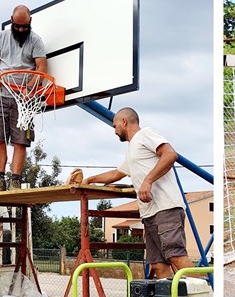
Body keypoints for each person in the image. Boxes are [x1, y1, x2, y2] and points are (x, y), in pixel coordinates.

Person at [83, 107, 196, 279]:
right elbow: (115, 174)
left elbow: (170, 154)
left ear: (124, 122)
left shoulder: (146, 134)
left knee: (176, 256)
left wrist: (148, 180)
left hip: (166, 207)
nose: (115, 132)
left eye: (115, 126)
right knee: (158, 264)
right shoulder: (131, 152)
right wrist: (90, 179)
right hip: (149, 213)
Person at [0, 5, 47, 191]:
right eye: (18, 26)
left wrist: (30, 88)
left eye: (24, 26)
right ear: (11, 20)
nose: (21, 30)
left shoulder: (36, 40)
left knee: (20, 140)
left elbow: (41, 68)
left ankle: (15, 180)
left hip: (24, 100)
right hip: (2, 95)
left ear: (30, 22)